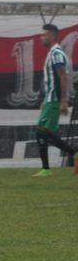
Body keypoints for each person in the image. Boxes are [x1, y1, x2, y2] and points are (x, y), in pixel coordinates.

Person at [30, 24, 78, 177]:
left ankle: (48, 168)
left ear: (51, 36)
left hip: (55, 98)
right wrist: (46, 98)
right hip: (51, 98)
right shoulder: (53, 52)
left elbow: (63, 76)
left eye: (43, 35)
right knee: (44, 132)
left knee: (41, 131)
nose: (41, 38)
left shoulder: (56, 53)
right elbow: (53, 80)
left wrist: (63, 100)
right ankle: (72, 156)